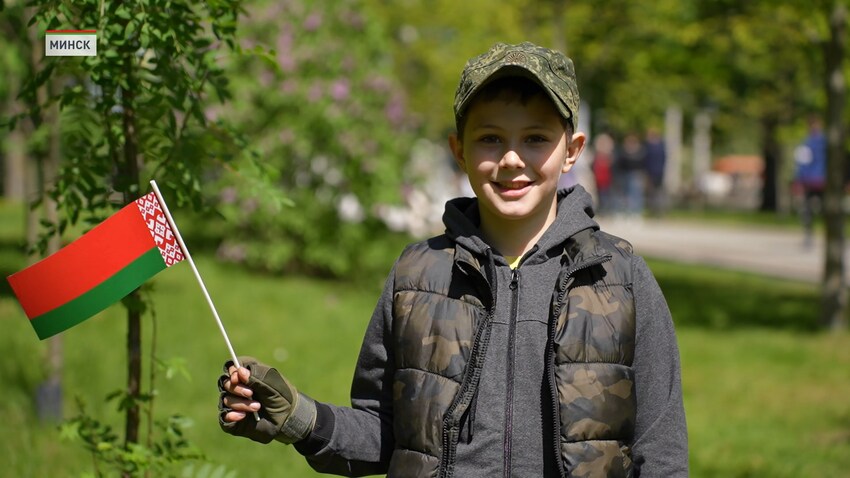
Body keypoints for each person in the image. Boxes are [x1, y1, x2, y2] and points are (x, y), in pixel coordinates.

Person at [217, 41, 688, 477]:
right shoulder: (418, 274)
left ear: (573, 151)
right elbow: (385, 434)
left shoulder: (619, 276)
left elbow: (661, 453)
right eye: (490, 139)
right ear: (458, 150)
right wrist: (297, 417)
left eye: (536, 139)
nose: (511, 159)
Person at [793, 116, 827, 248]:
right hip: (818, 180)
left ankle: (810, 236)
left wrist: (799, 180)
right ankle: (812, 236)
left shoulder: (808, 142)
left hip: (813, 180)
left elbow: (802, 163)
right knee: (812, 211)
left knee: (808, 211)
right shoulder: (825, 142)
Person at [643, 127, 667, 217]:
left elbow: (647, 161)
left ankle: (655, 210)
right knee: (658, 193)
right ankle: (658, 211)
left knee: (654, 193)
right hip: (659, 172)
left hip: (653, 173)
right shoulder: (661, 146)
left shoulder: (650, 147)